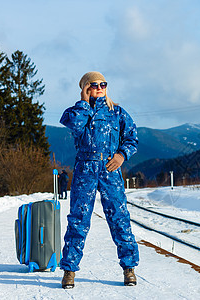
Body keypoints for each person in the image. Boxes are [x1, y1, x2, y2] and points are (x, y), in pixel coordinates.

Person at [59, 71, 139, 289]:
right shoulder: (76, 112)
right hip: (85, 169)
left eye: (103, 83)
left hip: (110, 170)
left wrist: (122, 155)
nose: (100, 87)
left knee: (119, 218)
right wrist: (84, 102)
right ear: (85, 87)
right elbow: (73, 125)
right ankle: (69, 271)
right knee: (78, 220)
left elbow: (132, 137)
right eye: (94, 85)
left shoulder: (117, 112)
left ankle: (129, 268)